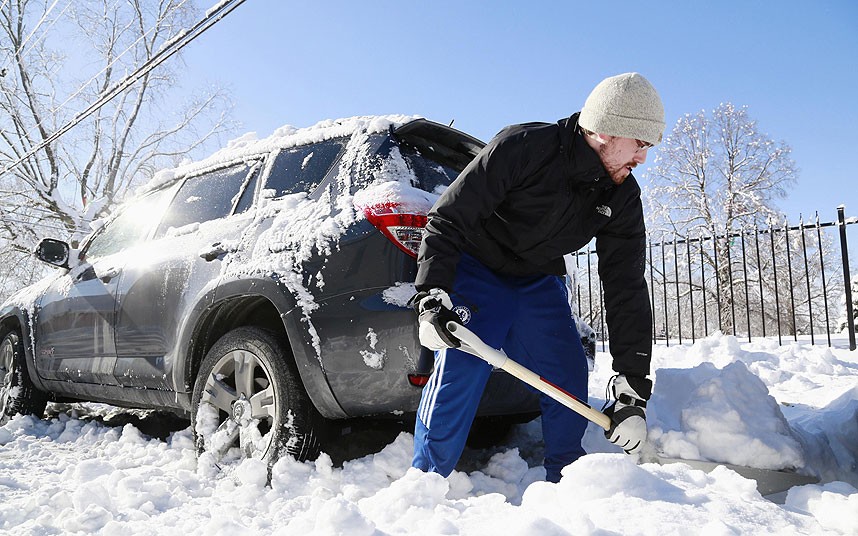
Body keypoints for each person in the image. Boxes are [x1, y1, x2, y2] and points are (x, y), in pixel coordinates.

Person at [410, 72, 663, 483]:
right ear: (606, 132)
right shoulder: (524, 147)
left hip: (537, 279)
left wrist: (633, 386)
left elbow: (626, 287)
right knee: (462, 366)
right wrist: (432, 295)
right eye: (641, 144)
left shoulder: (621, 197)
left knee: (566, 372)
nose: (643, 159)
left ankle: (568, 483)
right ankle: (425, 484)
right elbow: (448, 218)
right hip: (478, 269)